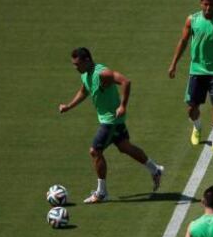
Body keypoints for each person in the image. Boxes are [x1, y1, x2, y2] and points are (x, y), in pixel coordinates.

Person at [59, 47, 164, 204]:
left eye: (77, 64)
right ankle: (155, 169)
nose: (76, 68)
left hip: (111, 120)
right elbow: (83, 91)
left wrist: (123, 105)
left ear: (87, 60)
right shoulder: (85, 75)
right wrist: (69, 106)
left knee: (95, 151)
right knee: (124, 147)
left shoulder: (102, 73)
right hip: (111, 120)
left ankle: (102, 193)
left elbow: (125, 82)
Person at [168, 0, 213, 155]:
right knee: (192, 108)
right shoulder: (192, 20)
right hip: (197, 70)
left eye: (211, 5)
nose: (208, 8)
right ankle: (197, 127)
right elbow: (183, 41)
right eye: (205, 4)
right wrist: (174, 63)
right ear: (201, 3)